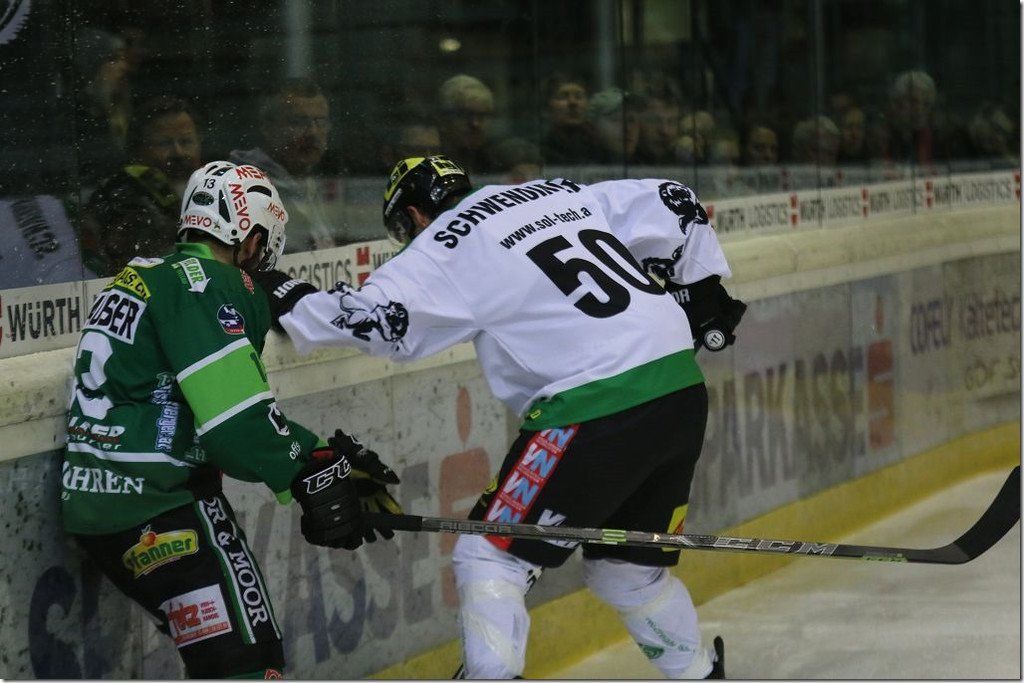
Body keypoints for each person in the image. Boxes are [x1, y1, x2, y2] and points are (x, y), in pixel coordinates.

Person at [257, 155, 747, 679]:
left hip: (594, 404)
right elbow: (675, 199)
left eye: (403, 228)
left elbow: (376, 321)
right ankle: (701, 674)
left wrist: (284, 294)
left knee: (489, 557)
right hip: (679, 388)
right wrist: (700, 289)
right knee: (626, 571)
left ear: (415, 215)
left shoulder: (446, 240)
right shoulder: (557, 192)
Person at [60, 161, 401, 679]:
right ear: (251, 240)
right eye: (262, 252)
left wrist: (316, 456)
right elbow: (234, 426)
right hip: (164, 506)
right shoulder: (207, 285)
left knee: (224, 661)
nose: (258, 268)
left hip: (96, 506)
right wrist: (311, 466)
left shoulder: (142, 277)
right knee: (250, 663)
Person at [80, 95, 202, 277]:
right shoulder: (120, 197)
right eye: (164, 143)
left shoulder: (215, 188)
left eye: (186, 141)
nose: (178, 152)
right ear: (138, 149)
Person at [230, 78, 338, 252]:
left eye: (321, 122)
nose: (313, 132)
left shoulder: (314, 182)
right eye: (299, 122)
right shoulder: (243, 189)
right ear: (268, 128)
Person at [436, 74, 499, 174]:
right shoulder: (429, 162)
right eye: (465, 115)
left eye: (482, 116)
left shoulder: (498, 162)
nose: (475, 124)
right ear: (444, 120)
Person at [539, 72, 593, 165]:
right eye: (563, 97)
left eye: (579, 96)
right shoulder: (540, 151)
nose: (573, 102)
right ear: (547, 107)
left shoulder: (602, 146)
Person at [587, 87, 643, 165]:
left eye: (631, 120)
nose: (627, 128)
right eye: (617, 119)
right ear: (593, 127)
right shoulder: (579, 166)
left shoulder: (649, 166)